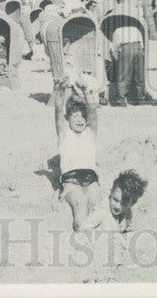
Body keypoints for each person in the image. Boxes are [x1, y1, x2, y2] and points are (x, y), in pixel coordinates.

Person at [55, 85, 102, 231]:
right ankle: (82, 229)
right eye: (75, 116)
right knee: (80, 203)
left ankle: (100, 233)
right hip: (71, 181)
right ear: (67, 118)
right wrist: (61, 90)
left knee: (96, 203)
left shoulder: (90, 132)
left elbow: (93, 111)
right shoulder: (64, 134)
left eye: (82, 116)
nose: (80, 119)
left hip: (91, 178)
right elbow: (57, 110)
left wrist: (87, 92)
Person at [108, 19, 147, 106]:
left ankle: (121, 101)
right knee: (139, 74)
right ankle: (141, 99)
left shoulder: (117, 31)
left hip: (126, 49)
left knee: (123, 75)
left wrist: (117, 59)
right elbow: (142, 44)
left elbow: (115, 47)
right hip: (138, 48)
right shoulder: (136, 29)